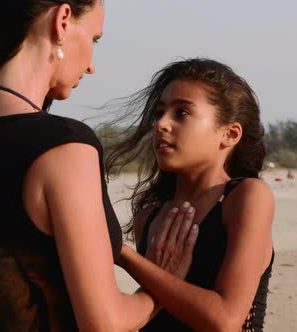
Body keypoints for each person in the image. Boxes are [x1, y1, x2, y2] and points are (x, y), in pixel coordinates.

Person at [0, 1, 197, 331]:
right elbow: (104, 323)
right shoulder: (64, 145)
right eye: (94, 39)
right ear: (63, 21)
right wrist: (161, 287)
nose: (92, 65)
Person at [106, 58, 275, 331]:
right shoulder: (149, 217)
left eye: (182, 112)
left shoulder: (246, 198)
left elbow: (225, 319)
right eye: (159, 112)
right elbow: (155, 306)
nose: (161, 124)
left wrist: (124, 256)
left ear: (230, 134)